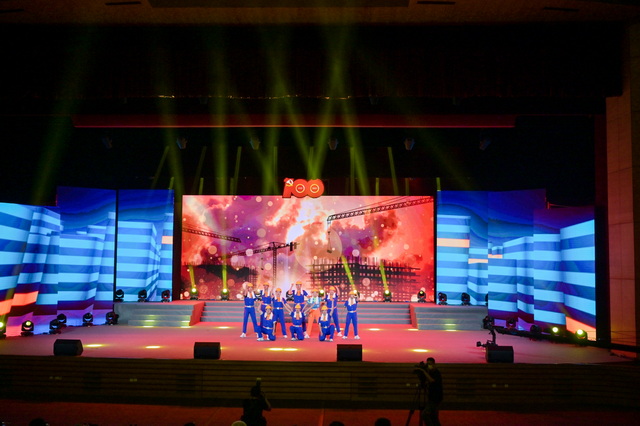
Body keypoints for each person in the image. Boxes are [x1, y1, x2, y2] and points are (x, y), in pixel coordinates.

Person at [420, 357, 443, 426]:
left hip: (436, 398)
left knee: (425, 414)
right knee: (434, 417)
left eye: (430, 364)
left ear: (434, 364)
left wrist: (424, 372)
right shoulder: (430, 372)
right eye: (428, 364)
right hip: (432, 397)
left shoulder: (436, 372)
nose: (429, 365)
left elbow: (432, 380)